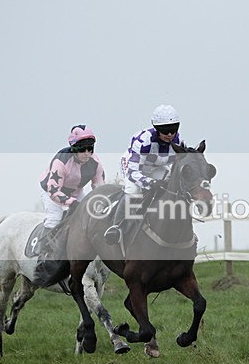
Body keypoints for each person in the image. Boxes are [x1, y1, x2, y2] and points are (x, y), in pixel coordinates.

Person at [103, 104, 183, 245]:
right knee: (133, 190)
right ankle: (116, 227)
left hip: (156, 167)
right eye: (165, 130)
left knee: (170, 186)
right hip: (133, 166)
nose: (170, 134)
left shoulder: (178, 142)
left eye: (173, 129)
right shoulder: (143, 141)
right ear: (156, 128)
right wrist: (149, 183)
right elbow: (133, 172)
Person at [37, 124, 106, 253]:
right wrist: (71, 202)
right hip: (51, 191)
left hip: (76, 192)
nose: (87, 153)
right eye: (83, 149)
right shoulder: (61, 161)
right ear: (74, 148)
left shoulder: (95, 162)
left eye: (90, 149)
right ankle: (44, 253)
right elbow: (53, 191)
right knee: (55, 219)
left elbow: (99, 187)